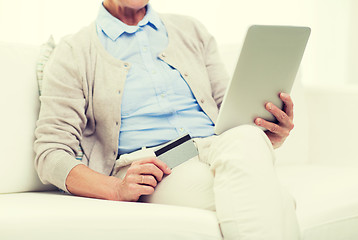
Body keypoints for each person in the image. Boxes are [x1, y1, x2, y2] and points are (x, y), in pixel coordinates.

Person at [34, 0, 300, 239]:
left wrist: (269, 130)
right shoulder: (74, 51)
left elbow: (230, 111)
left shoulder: (192, 31)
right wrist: (116, 188)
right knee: (276, 199)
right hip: (154, 165)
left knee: (249, 138)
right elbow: (50, 154)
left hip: (216, 147)